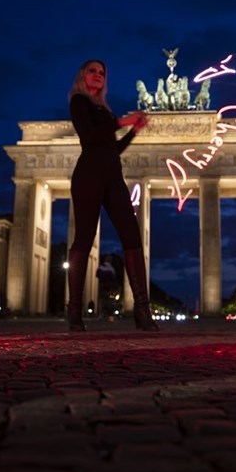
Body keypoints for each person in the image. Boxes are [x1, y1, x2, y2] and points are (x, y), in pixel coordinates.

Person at [66, 59, 158, 332]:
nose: (98, 76)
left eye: (102, 73)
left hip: (113, 177)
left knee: (132, 236)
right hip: (88, 176)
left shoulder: (105, 110)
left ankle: (142, 309)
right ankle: (74, 311)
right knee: (84, 238)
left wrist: (133, 131)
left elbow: (113, 149)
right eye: (92, 71)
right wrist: (122, 121)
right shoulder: (79, 102)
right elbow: (91, 137)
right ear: (83, 75)